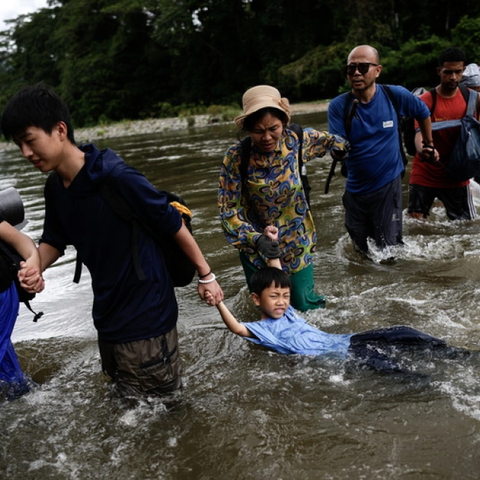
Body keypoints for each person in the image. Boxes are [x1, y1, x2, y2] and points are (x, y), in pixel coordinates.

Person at [1, 84, 224, 398]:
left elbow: (172, 223)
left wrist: (207, 276)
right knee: (128, 404)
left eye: (30, 140)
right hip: (108, 315)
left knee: (162, 410)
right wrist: (34, 268)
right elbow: (53, 241)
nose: (26, 153)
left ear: (60, 130)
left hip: (148, 313)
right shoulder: (56, 187)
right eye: (18, 145)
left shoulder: (117, 177)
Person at [207, 227, 456, 372]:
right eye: (274, 297)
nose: (282, 301)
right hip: (341, 356)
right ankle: (429, 386)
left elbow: (279, 275)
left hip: (345, 341)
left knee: (402, 332)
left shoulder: (287, 312)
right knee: (389, 366)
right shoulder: (261, 330)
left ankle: (454, 354)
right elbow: (236, 327)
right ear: (256, 300)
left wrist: (272, 243)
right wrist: (219, 301)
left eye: (285, 296)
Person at [218, 85, 350, 312]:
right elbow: (228, 211)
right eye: (258, 131)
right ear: (247, 129)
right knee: (269, 310)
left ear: (284, 123)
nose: (267, 137)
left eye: (273, 128)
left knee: (304, 305)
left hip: (296, 241)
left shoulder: (297, 140)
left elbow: (334, 142)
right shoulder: (237, 157)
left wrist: (340, 150)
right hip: (257, 246)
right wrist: (256, 239)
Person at [328, 45, 436, 255]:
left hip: (388, 184)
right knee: (361, 251)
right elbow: (337, 141)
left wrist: (428, 143)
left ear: (377, 70)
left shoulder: (394, 95)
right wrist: (336, 150)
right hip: (355, 189)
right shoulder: (338, 106)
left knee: (389, 251)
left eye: (363, 67)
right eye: (351, 68)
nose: (357, 73)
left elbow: (423, 111)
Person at [408, 48, 480, 221]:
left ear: (463, 71)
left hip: (458, 175)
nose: (453, 77)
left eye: (458, 72)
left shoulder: (474, 99)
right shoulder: (425, 101)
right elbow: (418, 134)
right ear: (439, 71)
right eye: (448, 72)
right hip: (425, 173)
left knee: (466, 228)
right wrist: (424, 150)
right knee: (415, 223)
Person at [0, 188, 44, 400]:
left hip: (2, 292)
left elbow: (19, 240)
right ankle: (29, 403)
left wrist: (33, 265)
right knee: (11, 378)